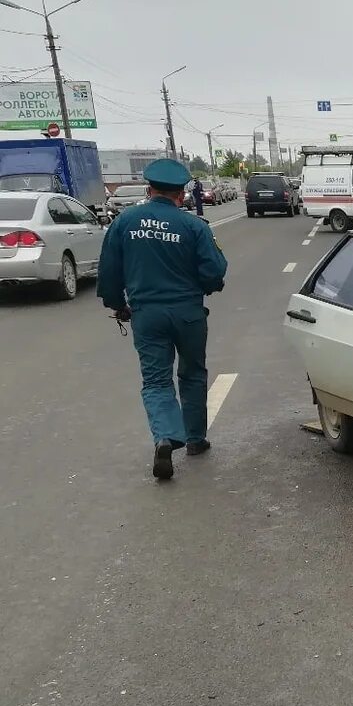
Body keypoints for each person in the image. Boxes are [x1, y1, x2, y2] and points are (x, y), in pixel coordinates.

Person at [97, 158, 228, 481]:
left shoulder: (124, 222)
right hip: (188, 314)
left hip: (147, 314)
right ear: (181, 195)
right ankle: (196, 439)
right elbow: (214, 271)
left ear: (148, 189)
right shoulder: (194, 226)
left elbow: (109, 273)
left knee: (156, 381)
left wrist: (118, 305)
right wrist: (206, 287)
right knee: (193, 373)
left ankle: (166, 437)